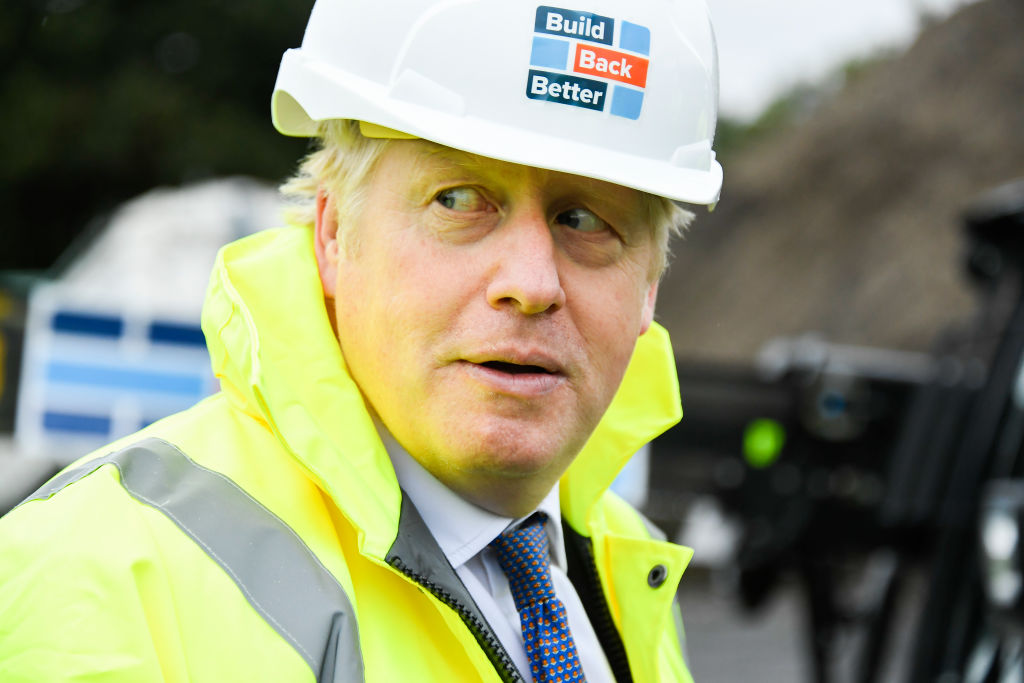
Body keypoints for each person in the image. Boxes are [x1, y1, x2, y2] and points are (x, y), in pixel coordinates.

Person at [0, 0, 722, 680]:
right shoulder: (94, 577)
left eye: (585, 220)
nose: (532, 284)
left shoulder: (629, 571)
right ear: (334, 233)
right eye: (458, 200)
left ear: (649, 286)